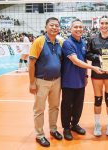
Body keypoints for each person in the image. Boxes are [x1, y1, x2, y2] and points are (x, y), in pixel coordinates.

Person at [61, 19, 102, 141]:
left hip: (80, 80)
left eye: (80, 27)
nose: (78, 29)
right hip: (68, 81)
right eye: (76, 27)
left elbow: (84, 59)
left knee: (78, 105)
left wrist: (85, 76)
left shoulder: (83, 43)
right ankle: (66, 128)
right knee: (67, 106)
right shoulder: (67, 43)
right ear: (70, 29)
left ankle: (74, 125)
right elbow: (75, 61)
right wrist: (92, 68)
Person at [29, 17, 63, 147]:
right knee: (39, 109)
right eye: (51, 25)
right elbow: (31, 64)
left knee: (54, 107)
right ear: (46, 27)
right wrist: (32, 83)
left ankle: (53, 129)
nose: (54, 27)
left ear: (59, 28)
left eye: (56, 26)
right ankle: (40, 135)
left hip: (57, 81)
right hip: (41, 81)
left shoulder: (60, 42)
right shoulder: (39, 41)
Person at [86, 15, 108, 136]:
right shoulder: (92, 38)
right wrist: (98, 57)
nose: (104, 25)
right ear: (99, 24)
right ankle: (97, 124)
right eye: (102, 23)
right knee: (98, 98)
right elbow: (88, 54)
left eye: (106, 23)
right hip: (97, 71)